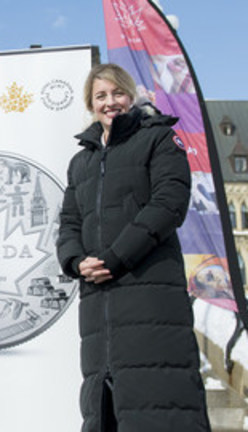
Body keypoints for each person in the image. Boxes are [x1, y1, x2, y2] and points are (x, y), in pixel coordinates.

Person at [56, 63, 211, 432]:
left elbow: (168, 203)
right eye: (101, 96)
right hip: (98, 305)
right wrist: (76, 261)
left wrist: (114, 258)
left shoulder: (159, 139)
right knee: (105, 410)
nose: (111, 102)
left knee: (161, 404)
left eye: (117, 93)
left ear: (131, 95)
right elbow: (69, 222)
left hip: (149, 293)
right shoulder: (81, 162)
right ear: (90, 104)